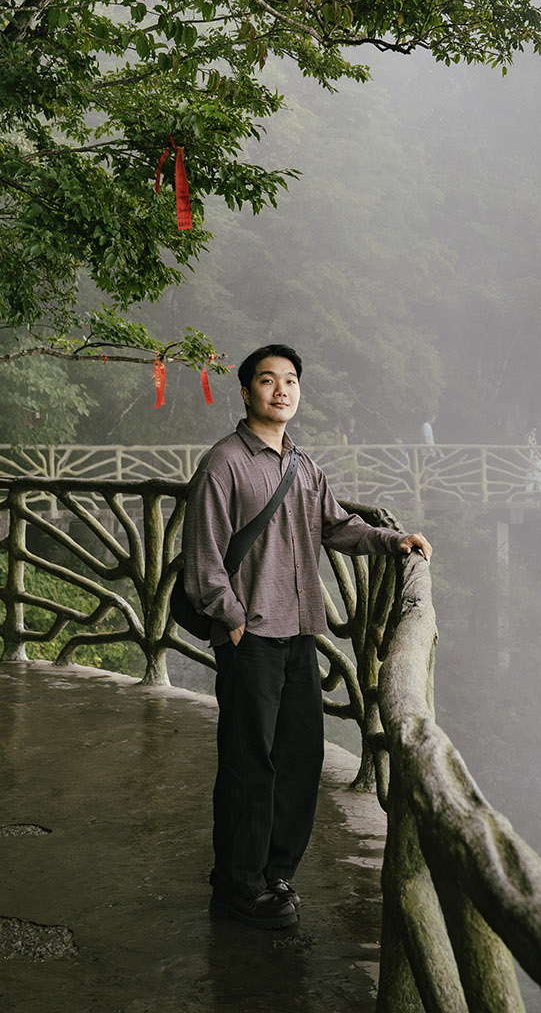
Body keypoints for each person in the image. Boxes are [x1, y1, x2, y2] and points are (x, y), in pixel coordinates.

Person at [182, 345, 432, 930]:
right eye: (267, 381)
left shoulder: (302, 465)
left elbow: (337, 526)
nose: (280, 390)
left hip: (299, 633)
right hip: (251, 637)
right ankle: (237, 885)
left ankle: (276, 872)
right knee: (250, 763)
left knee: (300, 757)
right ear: (245, 393)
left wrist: (390, 541)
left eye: (290, 381)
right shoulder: (224, 464)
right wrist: (232, 617)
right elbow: (201, 558)